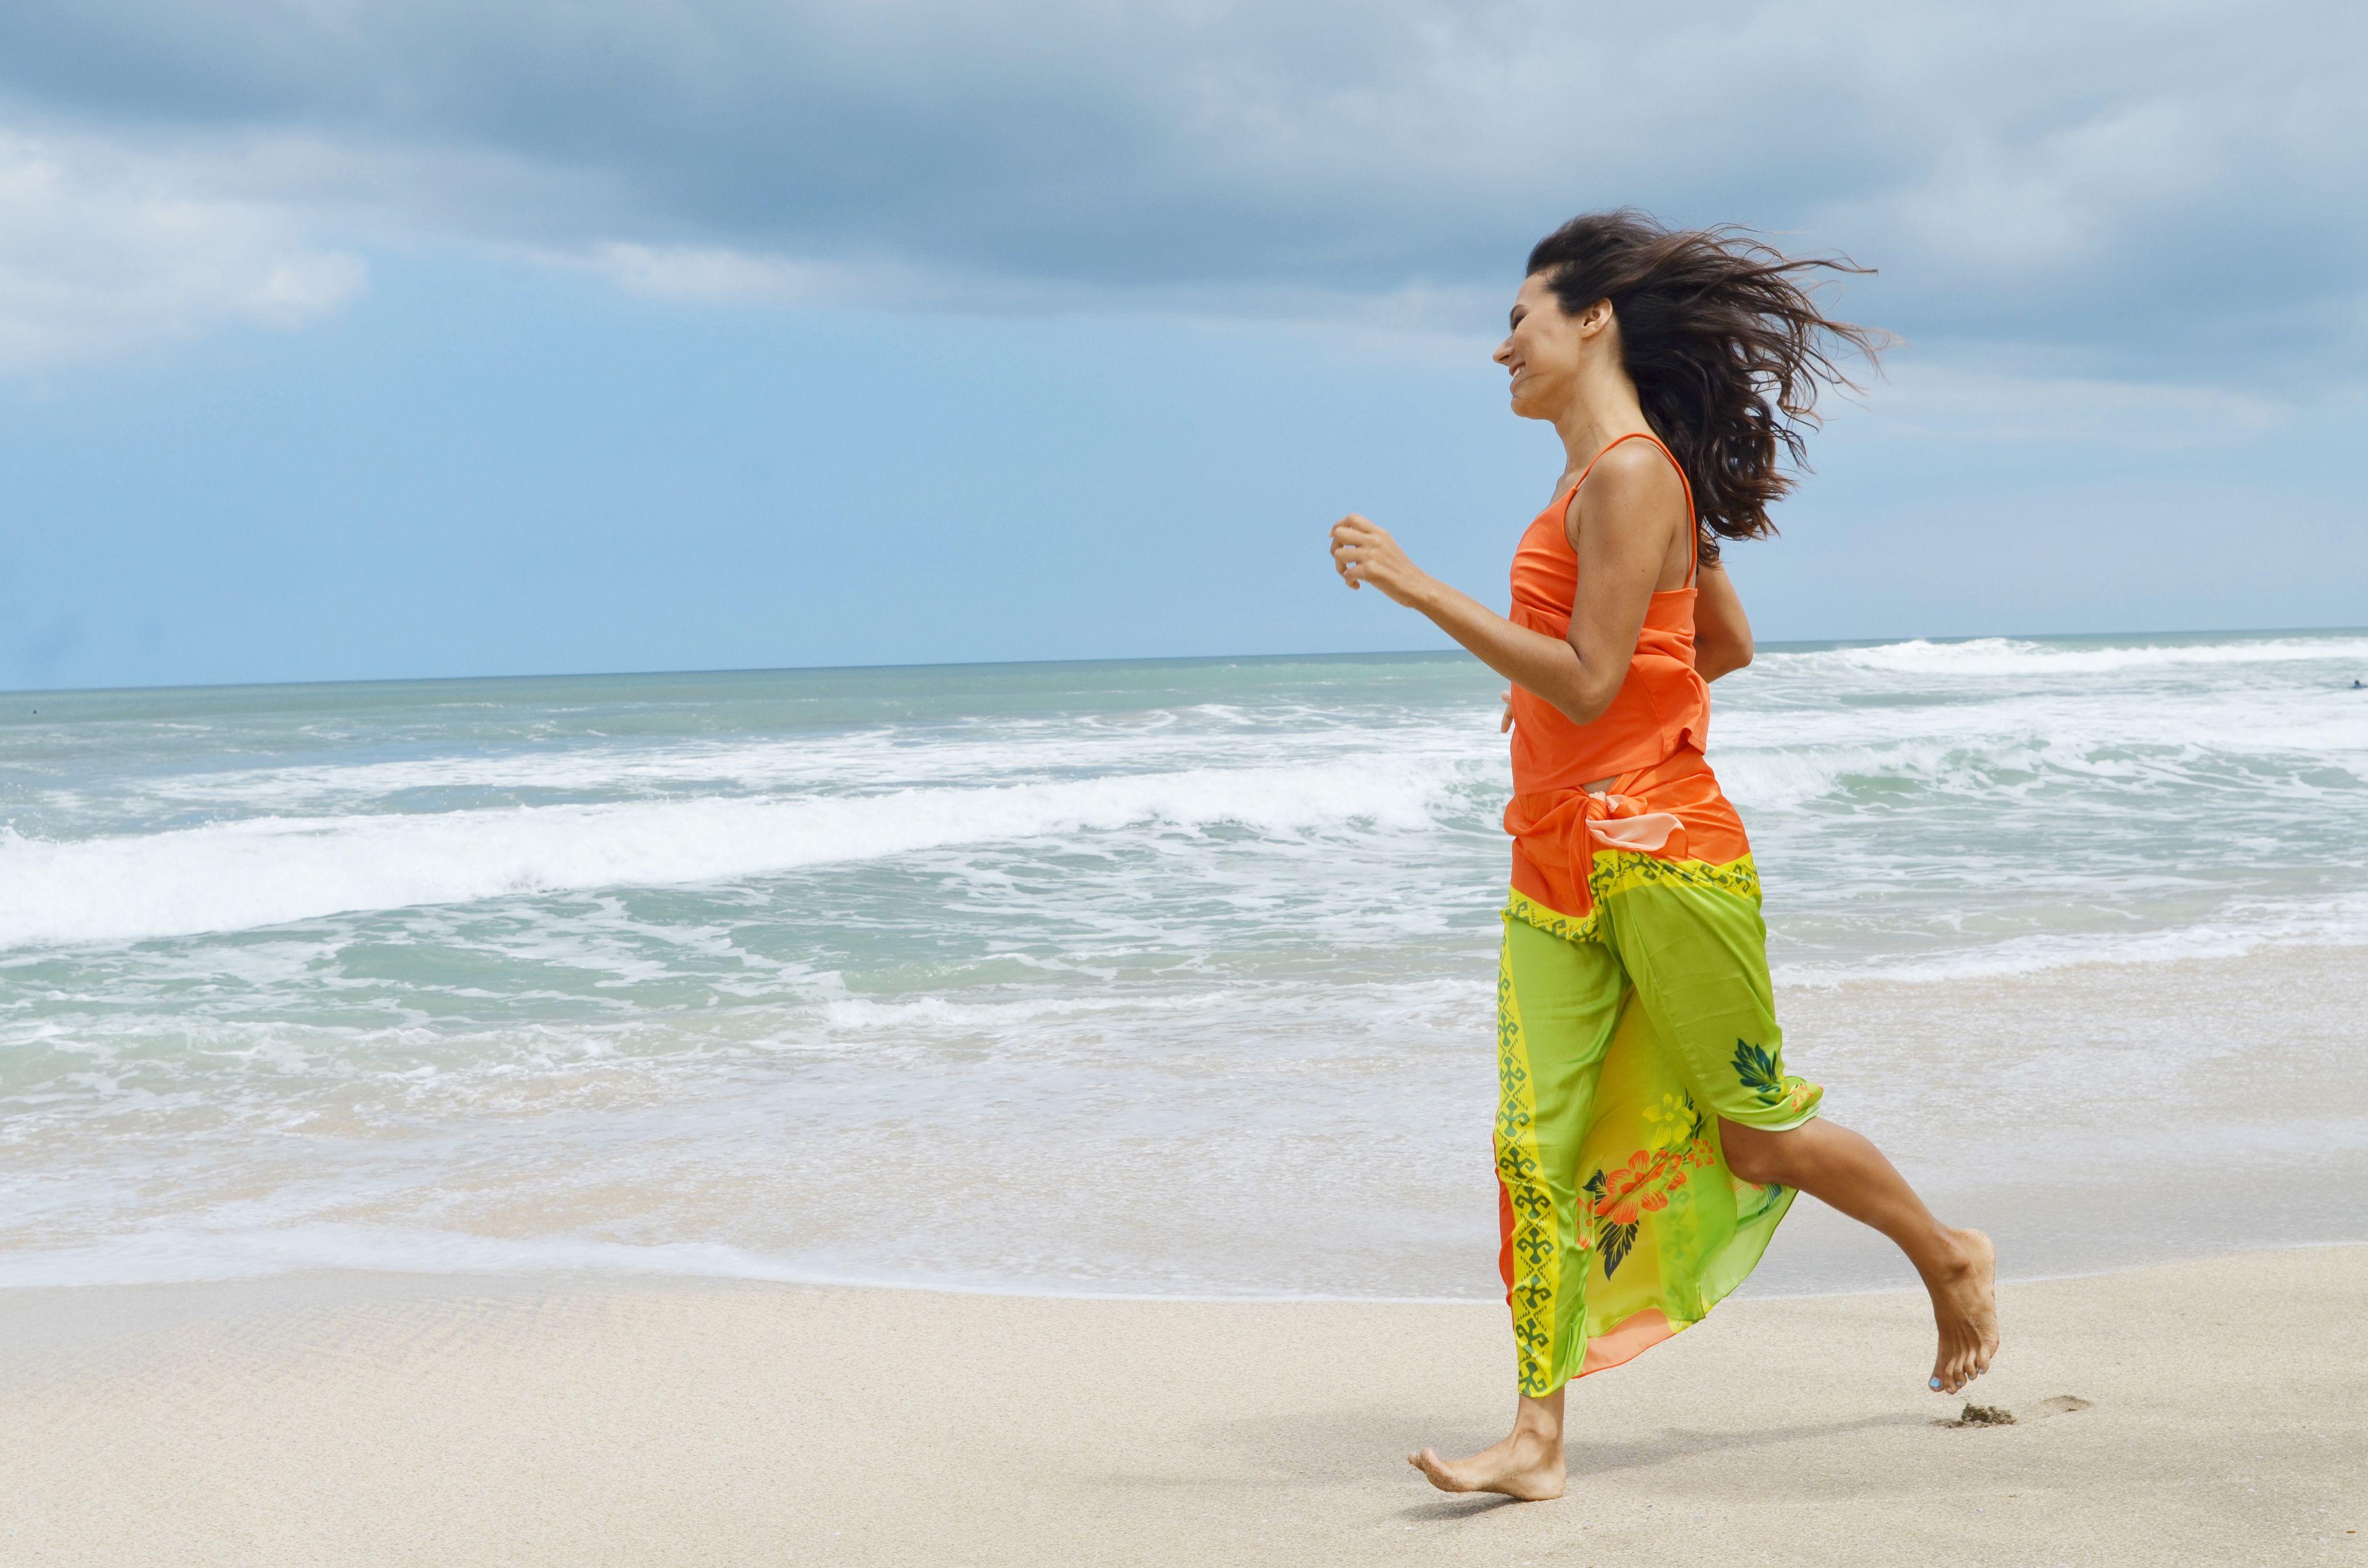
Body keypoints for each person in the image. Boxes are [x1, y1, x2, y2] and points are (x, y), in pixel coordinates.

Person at [1328, 210, 1997, 1502]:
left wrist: (1422, 590)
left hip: (1664, 854)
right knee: (1533, 1145)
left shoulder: (1635, 475)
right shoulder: (1593, 483)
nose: (1500, 348)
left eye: (1518, 319)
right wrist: (1570, 709)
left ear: (1594, 319)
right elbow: (1714, 645)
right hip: (1555, 862)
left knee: (1756, 1133)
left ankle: (1947, 1252)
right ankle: (1536, 1439)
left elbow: (1591, 678)